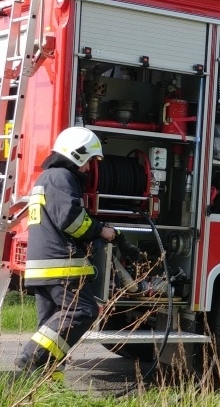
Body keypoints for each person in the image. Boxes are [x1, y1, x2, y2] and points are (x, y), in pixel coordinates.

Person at [15, 126, 132, 378]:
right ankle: (29, 357)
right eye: (89, 161)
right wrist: (103, 231)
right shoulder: (60, 177)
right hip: (60, 265)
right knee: (83, 311)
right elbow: (71, 220)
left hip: (44, 267)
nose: (89, 169)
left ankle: (44, 387)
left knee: (51, 330)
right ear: (77, 154)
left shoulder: (47, 178)